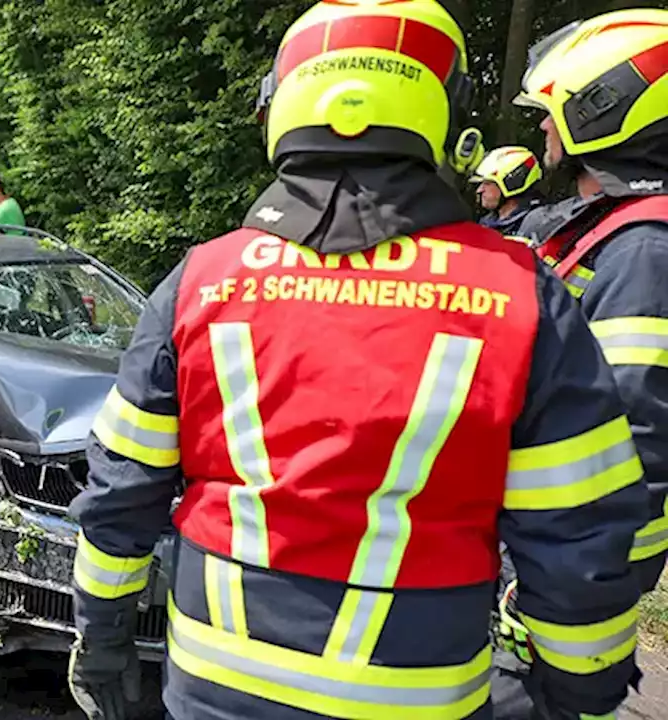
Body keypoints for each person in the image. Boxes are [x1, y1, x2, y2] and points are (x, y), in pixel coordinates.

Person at [66, 2, 649, 720]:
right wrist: (581, 691)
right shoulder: (520, 295)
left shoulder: (201, 282)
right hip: (420, 692)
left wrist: (100, 641)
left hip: (216, 684)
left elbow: (122, 490)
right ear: (436, 112)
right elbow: (577, 528)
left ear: (284, 102)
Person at [486, 10, 668, 717]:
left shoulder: (646, 255)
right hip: (544, 564)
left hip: (555, 588)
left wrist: (542, 593)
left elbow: (630, 445)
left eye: (552, 110)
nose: (542, 128)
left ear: (607, 104)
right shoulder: (604, 232)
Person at [468, 146, 547, 237]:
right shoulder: (485, 224)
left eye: (487, 183)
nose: (479, 190)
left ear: (512, 183)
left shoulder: (538, 225)